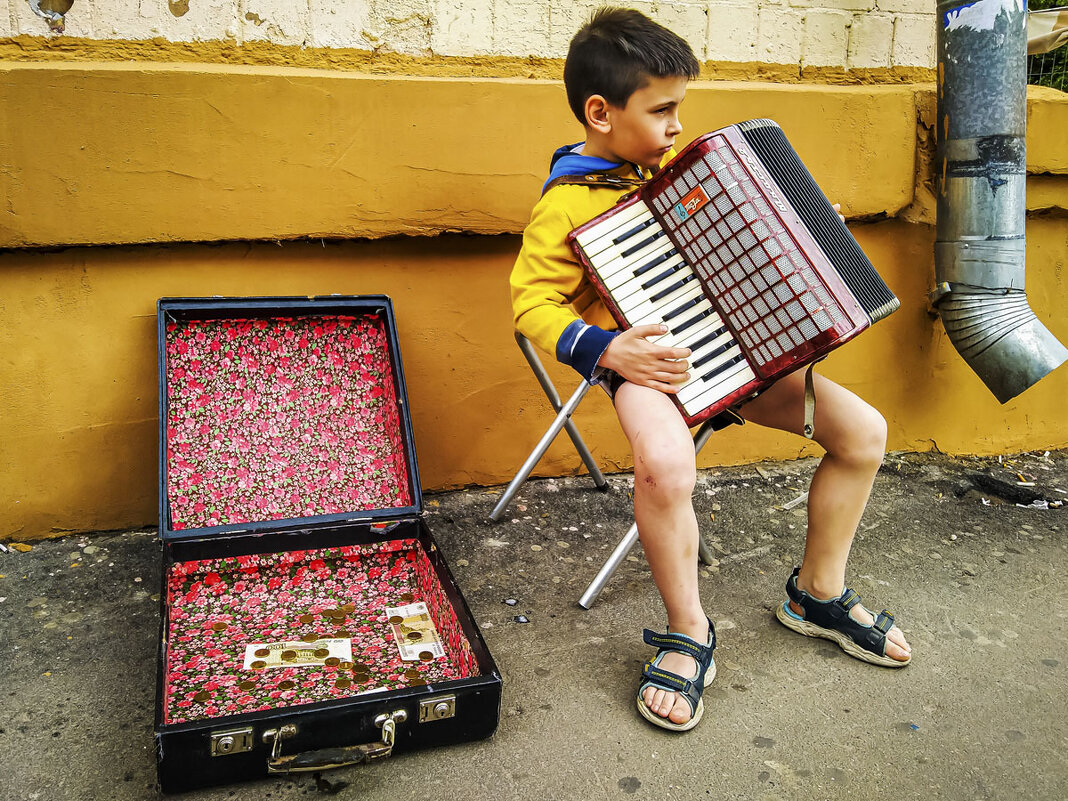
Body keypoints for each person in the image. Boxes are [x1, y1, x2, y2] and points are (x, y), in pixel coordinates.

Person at [509, 6, 912, 733]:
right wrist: (608, 349)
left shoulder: (688, 169)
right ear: (600, 112)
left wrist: (809, 236)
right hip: (652, 365)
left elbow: (740, 245)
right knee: (665, 465)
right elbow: (530, 303)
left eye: (679, 109)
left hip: (741, 353)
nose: (674, 126)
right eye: (661, 110)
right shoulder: (567, 201)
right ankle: (689, 627)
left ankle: (816, 591)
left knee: (866, 434)